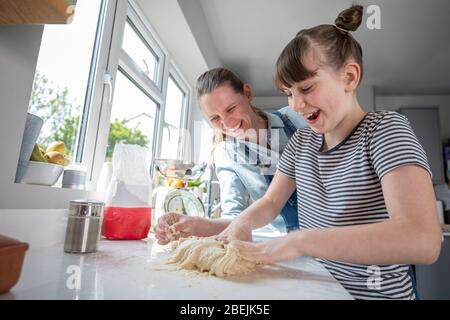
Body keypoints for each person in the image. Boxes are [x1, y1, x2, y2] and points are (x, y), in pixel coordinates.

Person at [216, 4, 442, 300]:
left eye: (306, 88)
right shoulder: (301, 143)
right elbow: (271, 202)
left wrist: (302, 242)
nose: (295, 104)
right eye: (289, 93)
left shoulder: (385, 131)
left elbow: (423, 240)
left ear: (349, 77)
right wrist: (241, 222)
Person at [155, 67, 307, 244]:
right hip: (293, 245)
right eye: (215, 118)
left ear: (247, 94)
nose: (227, 123)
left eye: (231, 108)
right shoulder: (226, 154)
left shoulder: (298, 117)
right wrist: (193, 224)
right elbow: (234, 218)